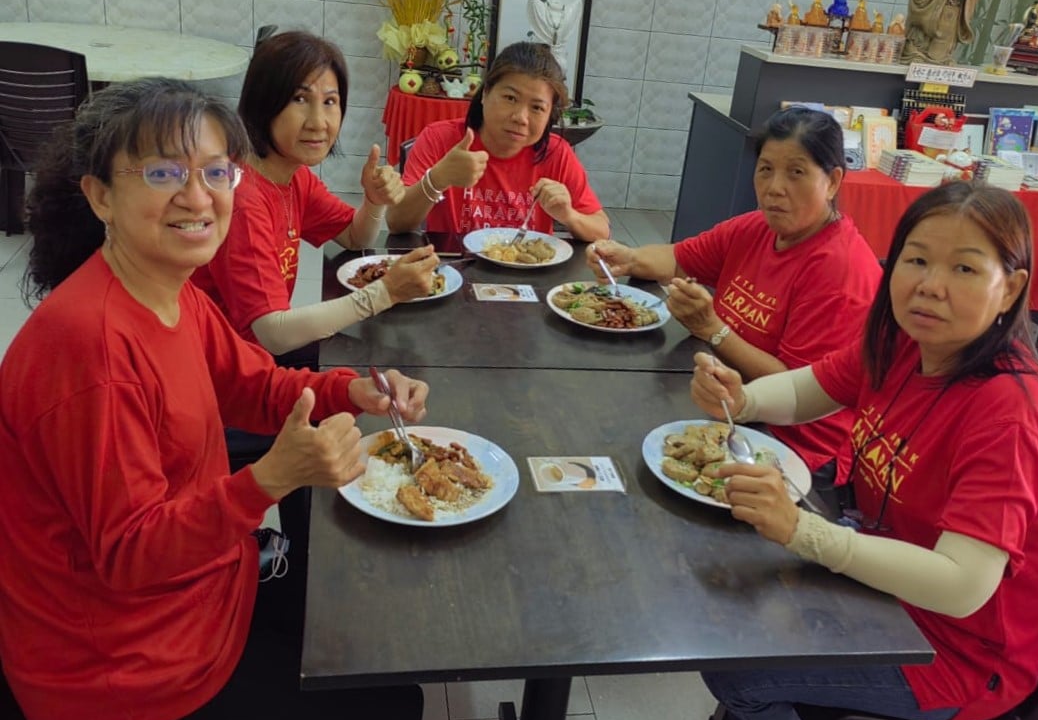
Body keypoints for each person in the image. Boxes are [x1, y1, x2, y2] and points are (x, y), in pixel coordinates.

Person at [0, 78, 427, 720]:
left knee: (374, 639)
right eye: (163, 172)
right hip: (120, 674)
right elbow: (130, 554)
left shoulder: (166, 287)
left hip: (200, 590)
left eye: (215, 171)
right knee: (390, 710)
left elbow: (252, 386)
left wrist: (353, 390)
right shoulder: (91, 350)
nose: (197, 197)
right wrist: (268, 480)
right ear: (100, 195)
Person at [691, 181, 1038, 720]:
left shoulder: (1011, 413)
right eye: (916, 260)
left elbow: (962, 585)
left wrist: (807, 533)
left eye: (965, 270)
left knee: (739, 668)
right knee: (724, 594)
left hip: (956, 653)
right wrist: (744, 398)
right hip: (886, 570)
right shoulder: (904, 341)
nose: (930, 286)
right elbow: (811, 389)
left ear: (1011, 288)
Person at [589, 107, 881, 485]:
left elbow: (796, 388)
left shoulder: (841, 271)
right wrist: (626, 257)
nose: (775, 187)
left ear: (833, 181)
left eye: (796, 172)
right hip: (724, 399)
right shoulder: (756, 227)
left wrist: (713, 329)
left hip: (793, 446)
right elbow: (678, 259)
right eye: (765, 169)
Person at [191, 30, 439, 356]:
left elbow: (355, 237)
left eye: (330, 101)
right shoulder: (242, 199)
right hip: (226, 367)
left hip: (258, 352)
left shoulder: (294, 177)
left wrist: (374, 201)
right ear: (263, 103)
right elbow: (273, 332)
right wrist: (384, 293)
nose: (318, 122)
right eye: (299, 99)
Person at [385, 41, 610, 241]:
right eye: (510, 98)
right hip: (453, 272)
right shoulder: (440, 139)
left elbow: (601, 230)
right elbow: (396, 222)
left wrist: (568, 215)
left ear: (550, 113)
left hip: (527, 279)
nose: (521, 117)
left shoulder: (556, 153)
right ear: (485, 93)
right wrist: (437, 179)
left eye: (537, 108)